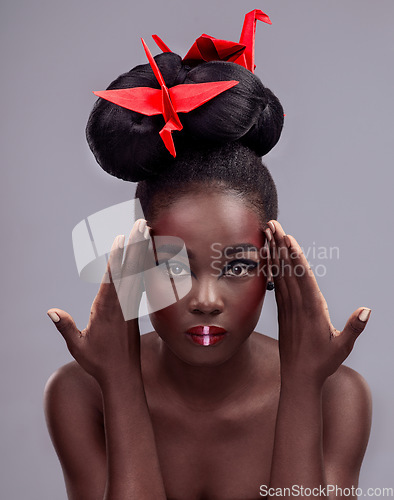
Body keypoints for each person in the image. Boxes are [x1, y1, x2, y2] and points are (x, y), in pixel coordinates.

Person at [43, 10, 372, 500]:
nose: (205, 300)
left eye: (238, 265)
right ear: (136, 267)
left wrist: (302, 386)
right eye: (172, 265)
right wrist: (120, 382)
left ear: (276, 270)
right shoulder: (81, 393)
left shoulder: (336, 394)